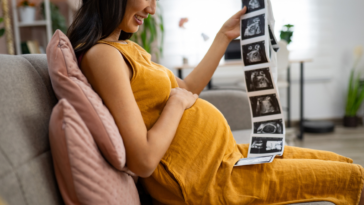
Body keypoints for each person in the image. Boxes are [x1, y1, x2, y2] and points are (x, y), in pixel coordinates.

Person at [67, 0, 364, 204]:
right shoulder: (102, 55)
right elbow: (143, 160)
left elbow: (185, 88)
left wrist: (224, 36)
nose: (152, 9)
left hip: (228, 157)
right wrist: (176, 104)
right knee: (353, 178)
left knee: (343, 162)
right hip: (210, 180)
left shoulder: (125, 48)